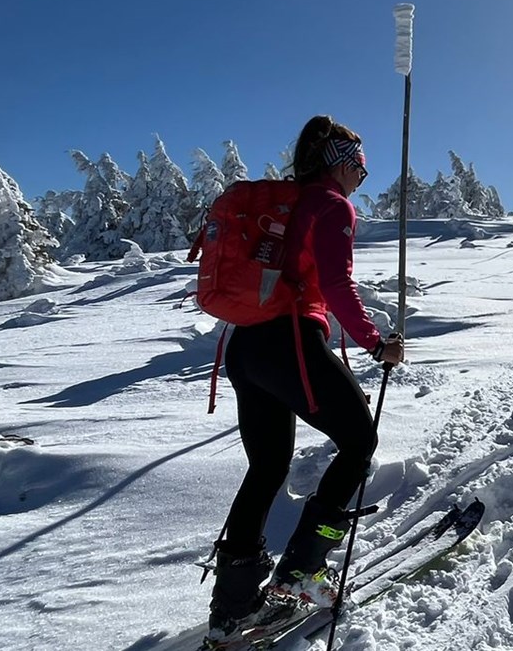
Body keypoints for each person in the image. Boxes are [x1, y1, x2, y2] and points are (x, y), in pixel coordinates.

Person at [206, 115, 404, 643]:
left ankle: (233, 608)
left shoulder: (289, 203)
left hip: (245, 348)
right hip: (289, 340)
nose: (362, 177)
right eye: (360, 166)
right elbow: (337, 284)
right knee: (359, 441)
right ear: (340, 163)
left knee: (267, 467)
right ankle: (302, 572)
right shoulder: (331, 204)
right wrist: (376, 342)